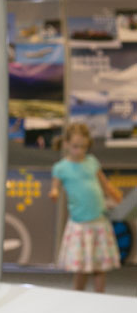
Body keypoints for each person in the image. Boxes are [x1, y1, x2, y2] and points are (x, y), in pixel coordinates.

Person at [49, 122, 123, 292]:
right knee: (81, 267)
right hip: (80, 225)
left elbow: (104, 184)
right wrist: (53, 192)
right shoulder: (61, 168)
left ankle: (100, 297)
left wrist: (114, 194)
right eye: (75, 146)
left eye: (83, 147)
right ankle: (78, 296)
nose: (80, 151)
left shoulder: (92, 162)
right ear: (66, 144)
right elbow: (55, 186)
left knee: (99, 267)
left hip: (99, 222)